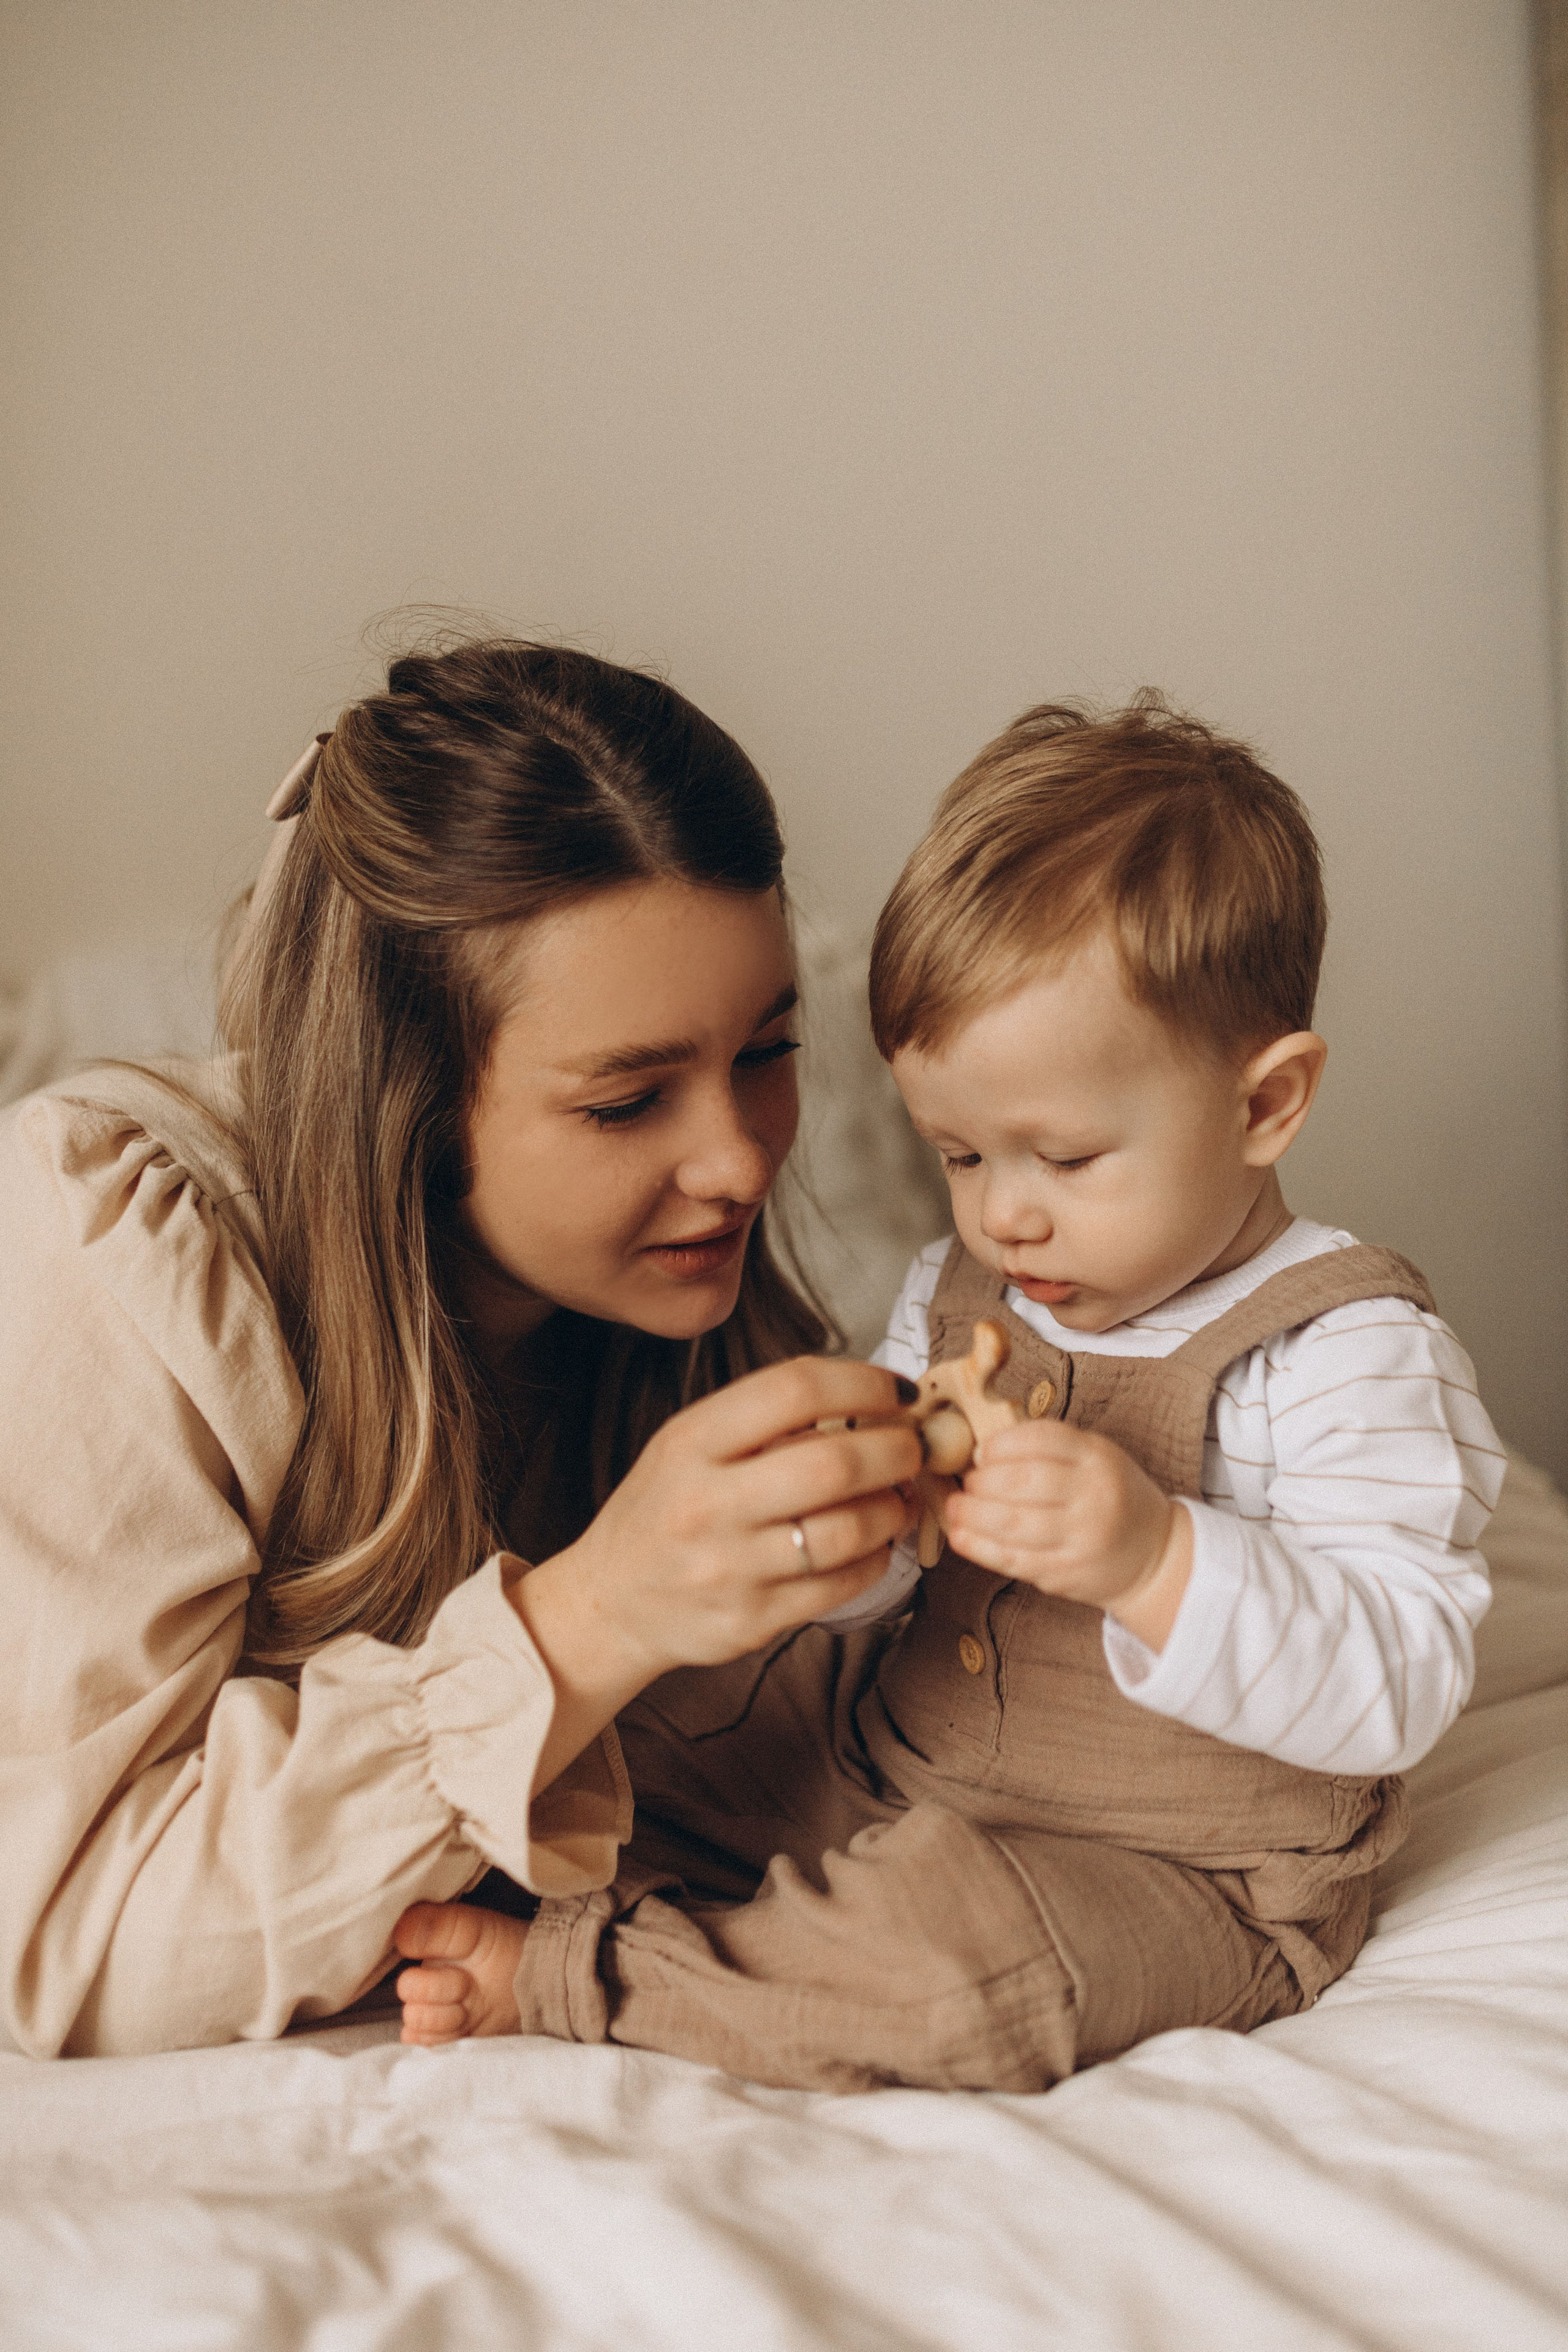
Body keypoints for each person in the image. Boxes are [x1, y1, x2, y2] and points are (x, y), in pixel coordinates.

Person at [398, 692, 1503, 2092]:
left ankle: (593, 1974)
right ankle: (551, 1880)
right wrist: (869, 1521)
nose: (1004, 1222)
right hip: (897, 1755)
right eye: (961, 1157)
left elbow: (1392, 1682)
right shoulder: (964, 1291)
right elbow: (883, 1597)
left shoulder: (1341, 1347)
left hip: (1170, 1865)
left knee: (956, 1981)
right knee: (656, 1729)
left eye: (1060, 1157)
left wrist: (1156, 1556)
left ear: (1263, 1103)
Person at [0, 637, 923, 2059]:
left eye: (765, 1052)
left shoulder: (664, 1324)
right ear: (410, 1106)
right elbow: (63, 1956)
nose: (738, 1162)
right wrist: (587, 1622)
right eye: (627, 1102)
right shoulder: (106, 1247)